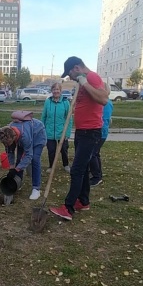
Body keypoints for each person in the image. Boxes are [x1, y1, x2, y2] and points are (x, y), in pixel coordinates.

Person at [50, 56, 108, 220]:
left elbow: (103, 98)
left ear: (76, 68)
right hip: (83, 131)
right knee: (83, 169)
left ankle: (68, 208)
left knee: (77, 170)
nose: (71, 78)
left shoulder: (91, 77)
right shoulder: (84, 80)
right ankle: (83, 201)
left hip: (91, 132)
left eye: (70, 74)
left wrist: (84, 83)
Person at [0, 118, 47, 200]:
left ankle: (36, 189)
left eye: (9, 143)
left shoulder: (24, 137)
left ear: (14, 138)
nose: (7, 145)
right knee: (19, 159)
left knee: (34, 159)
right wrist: (12, 167)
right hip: (23, 135)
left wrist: (17, 169)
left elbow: (28, 155)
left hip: (38, 134)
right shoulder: (7, 133)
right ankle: (18, 182)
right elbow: (10, 151)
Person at [41, 82, 73, 174]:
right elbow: (44, 117)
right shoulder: (48, 102)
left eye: (57, 89)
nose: (56, 91)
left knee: (64, 150)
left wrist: (67, 133)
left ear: (60, 91)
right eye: (54, 89)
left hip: (61, 132)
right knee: (51, 150)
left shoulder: (65, 102)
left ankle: (66, 165)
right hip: (50, 132)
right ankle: (51, 166)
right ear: (52, 91)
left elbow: (69, 119)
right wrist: (42, 130)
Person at [89, 83, 113, 187]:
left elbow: (103, 119)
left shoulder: (105, 103)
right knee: (96, 153)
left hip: (100, 132)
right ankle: (98, 174)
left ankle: (97, 177)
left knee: (93, 154)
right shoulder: (106, 103)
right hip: (101, 132)